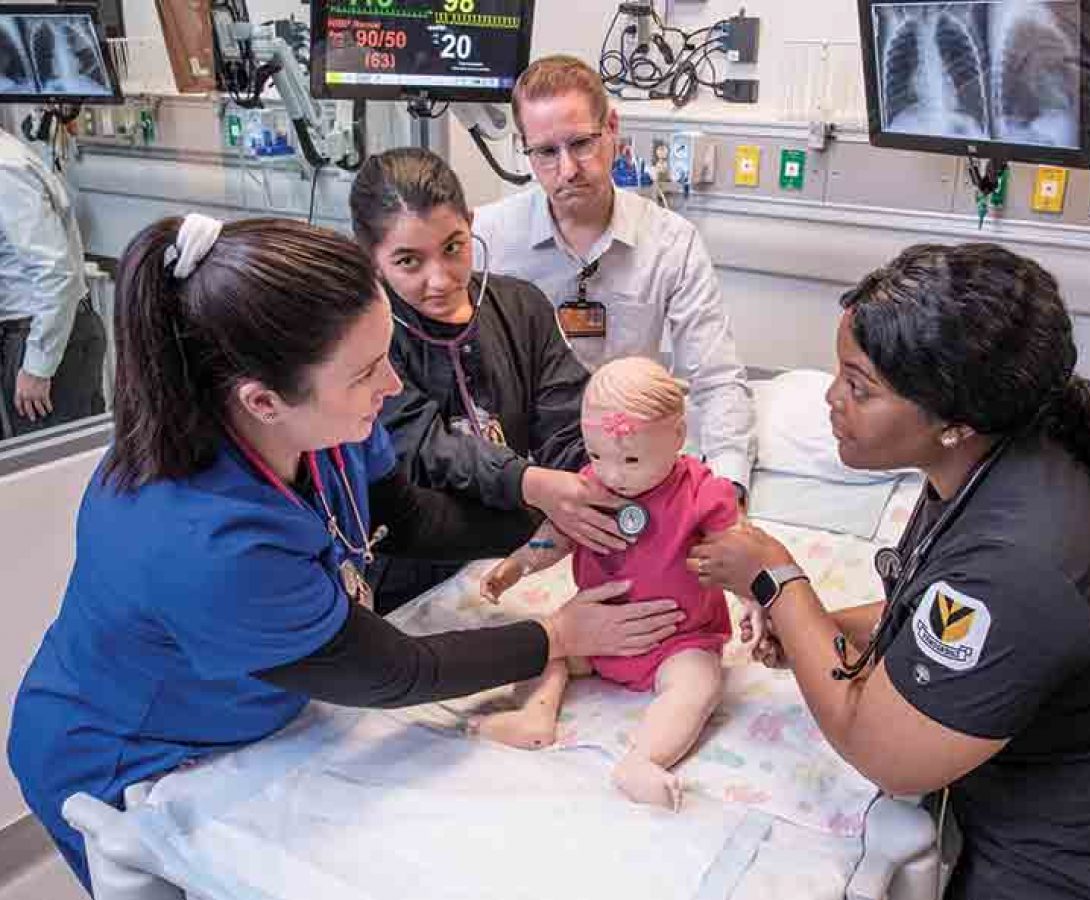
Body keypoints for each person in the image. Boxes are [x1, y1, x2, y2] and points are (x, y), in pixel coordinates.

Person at [6, 215, 685, 892]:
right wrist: (557, 635)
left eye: (386, 352)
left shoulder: (321, 423)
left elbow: (407, 517)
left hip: (248, 714)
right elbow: (395, 672)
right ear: (264, 401)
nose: (392, 385)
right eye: (366, 372)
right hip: (126, 756)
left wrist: (545, 517)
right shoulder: (202, 539)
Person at [689, 243, 1090, 900]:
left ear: (955, 421)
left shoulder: (1025, 555)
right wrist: (822, 628)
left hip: (1086, 866)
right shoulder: (984, 466)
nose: (831, 398)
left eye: (859, 386)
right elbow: (929, 612)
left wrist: (778, 581)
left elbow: (886, 752)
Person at [349, 148, 633, 613]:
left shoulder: (521, 307)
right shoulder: (362, 338)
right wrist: (532, 484)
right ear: (371, 259)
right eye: (408, 262)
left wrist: (605, 482)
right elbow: (425, 446)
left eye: (453, 247)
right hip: (410, 569)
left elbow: (567, 425)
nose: (439, 280)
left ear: (471, 222)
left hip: (514, 548)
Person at [472, 55, 756, 497]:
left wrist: (730, 486)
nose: (567, 169)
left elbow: (716, 379)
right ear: (525, 150)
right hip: (527, 473)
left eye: (581, 144)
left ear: (612, 129)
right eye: (546, 152)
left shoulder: (671, 243)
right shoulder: (484, 239)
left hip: (632, 462)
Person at [476, 357, 750, 812]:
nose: (614, 473)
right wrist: (519, 563)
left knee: (697, 684)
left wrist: (754, 602)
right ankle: (535, 716)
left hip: (676, 639)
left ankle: (643, 759)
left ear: (678, 437)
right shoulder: (591, 486)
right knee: (543, 644)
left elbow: (737, 553)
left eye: (631, 458)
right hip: (592, 632)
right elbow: (557, 535)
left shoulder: (703, 491)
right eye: (597, 455)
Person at [0, 126, 105, 438]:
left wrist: (37, 367)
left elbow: (55, 272)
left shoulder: (5, 170)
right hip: (32, 334)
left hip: (44, 338)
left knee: (56, 472)